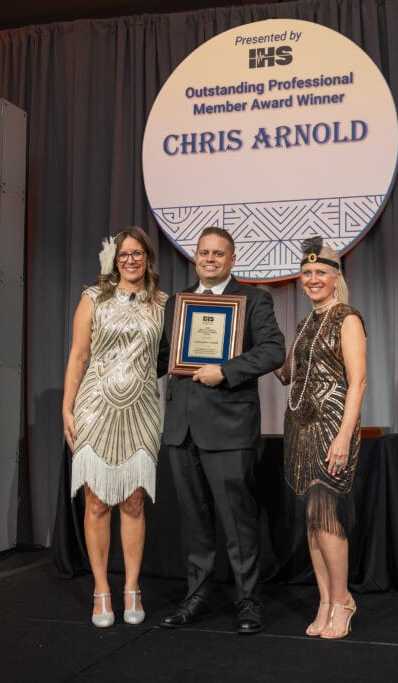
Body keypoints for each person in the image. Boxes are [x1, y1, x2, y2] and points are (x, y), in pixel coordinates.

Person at [158, 226, 285, 634]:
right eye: (203, 253)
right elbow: (165, 358)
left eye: (218, 254)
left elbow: (273, 351)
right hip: (182, 429)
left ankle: (247, 600)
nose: (209, 259)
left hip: (229, 428)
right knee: (194, 521)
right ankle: (196, 595)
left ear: (232, 260)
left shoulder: (253, 299)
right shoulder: (177, 302)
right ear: (195, 257)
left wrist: (224, 371)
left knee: (238, 520)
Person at [62, 226, 167, 628]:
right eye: (124, 254)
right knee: (96, 502)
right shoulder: (93, 298)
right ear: (115, 259)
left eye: (138, 253)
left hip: (141, 410)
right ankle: (102, 590)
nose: (131, 260)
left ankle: (132, 588)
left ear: (148, 258)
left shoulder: (162, 303)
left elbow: (176, 354)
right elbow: (78, 356)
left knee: (134, 502)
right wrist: (67, 408)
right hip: (94, 408)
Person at [274, 236, 367, 640]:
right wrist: (255, 343)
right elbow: (287, 374)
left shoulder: (348, 318)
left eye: (320, 273)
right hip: (298, 425)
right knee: (312, 522)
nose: (312, 279)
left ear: (335, 278)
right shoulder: (305, 323)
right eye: (306, 273)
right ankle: (325, 600)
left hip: (332, 426)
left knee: (327, 518)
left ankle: (343, 600)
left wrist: (344, 436)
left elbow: (358, 382)